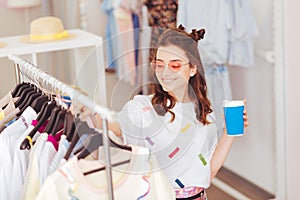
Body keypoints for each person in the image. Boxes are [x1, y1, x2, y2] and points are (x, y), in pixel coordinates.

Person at [97, 25, 249, 200]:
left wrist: (229, 134)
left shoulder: (204, 112)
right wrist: (85, 116)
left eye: (174, 65)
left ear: (193, 68)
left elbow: (208, 172)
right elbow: (114, 127)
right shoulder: (142, 108)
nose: (165, 72)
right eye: (159, 65)